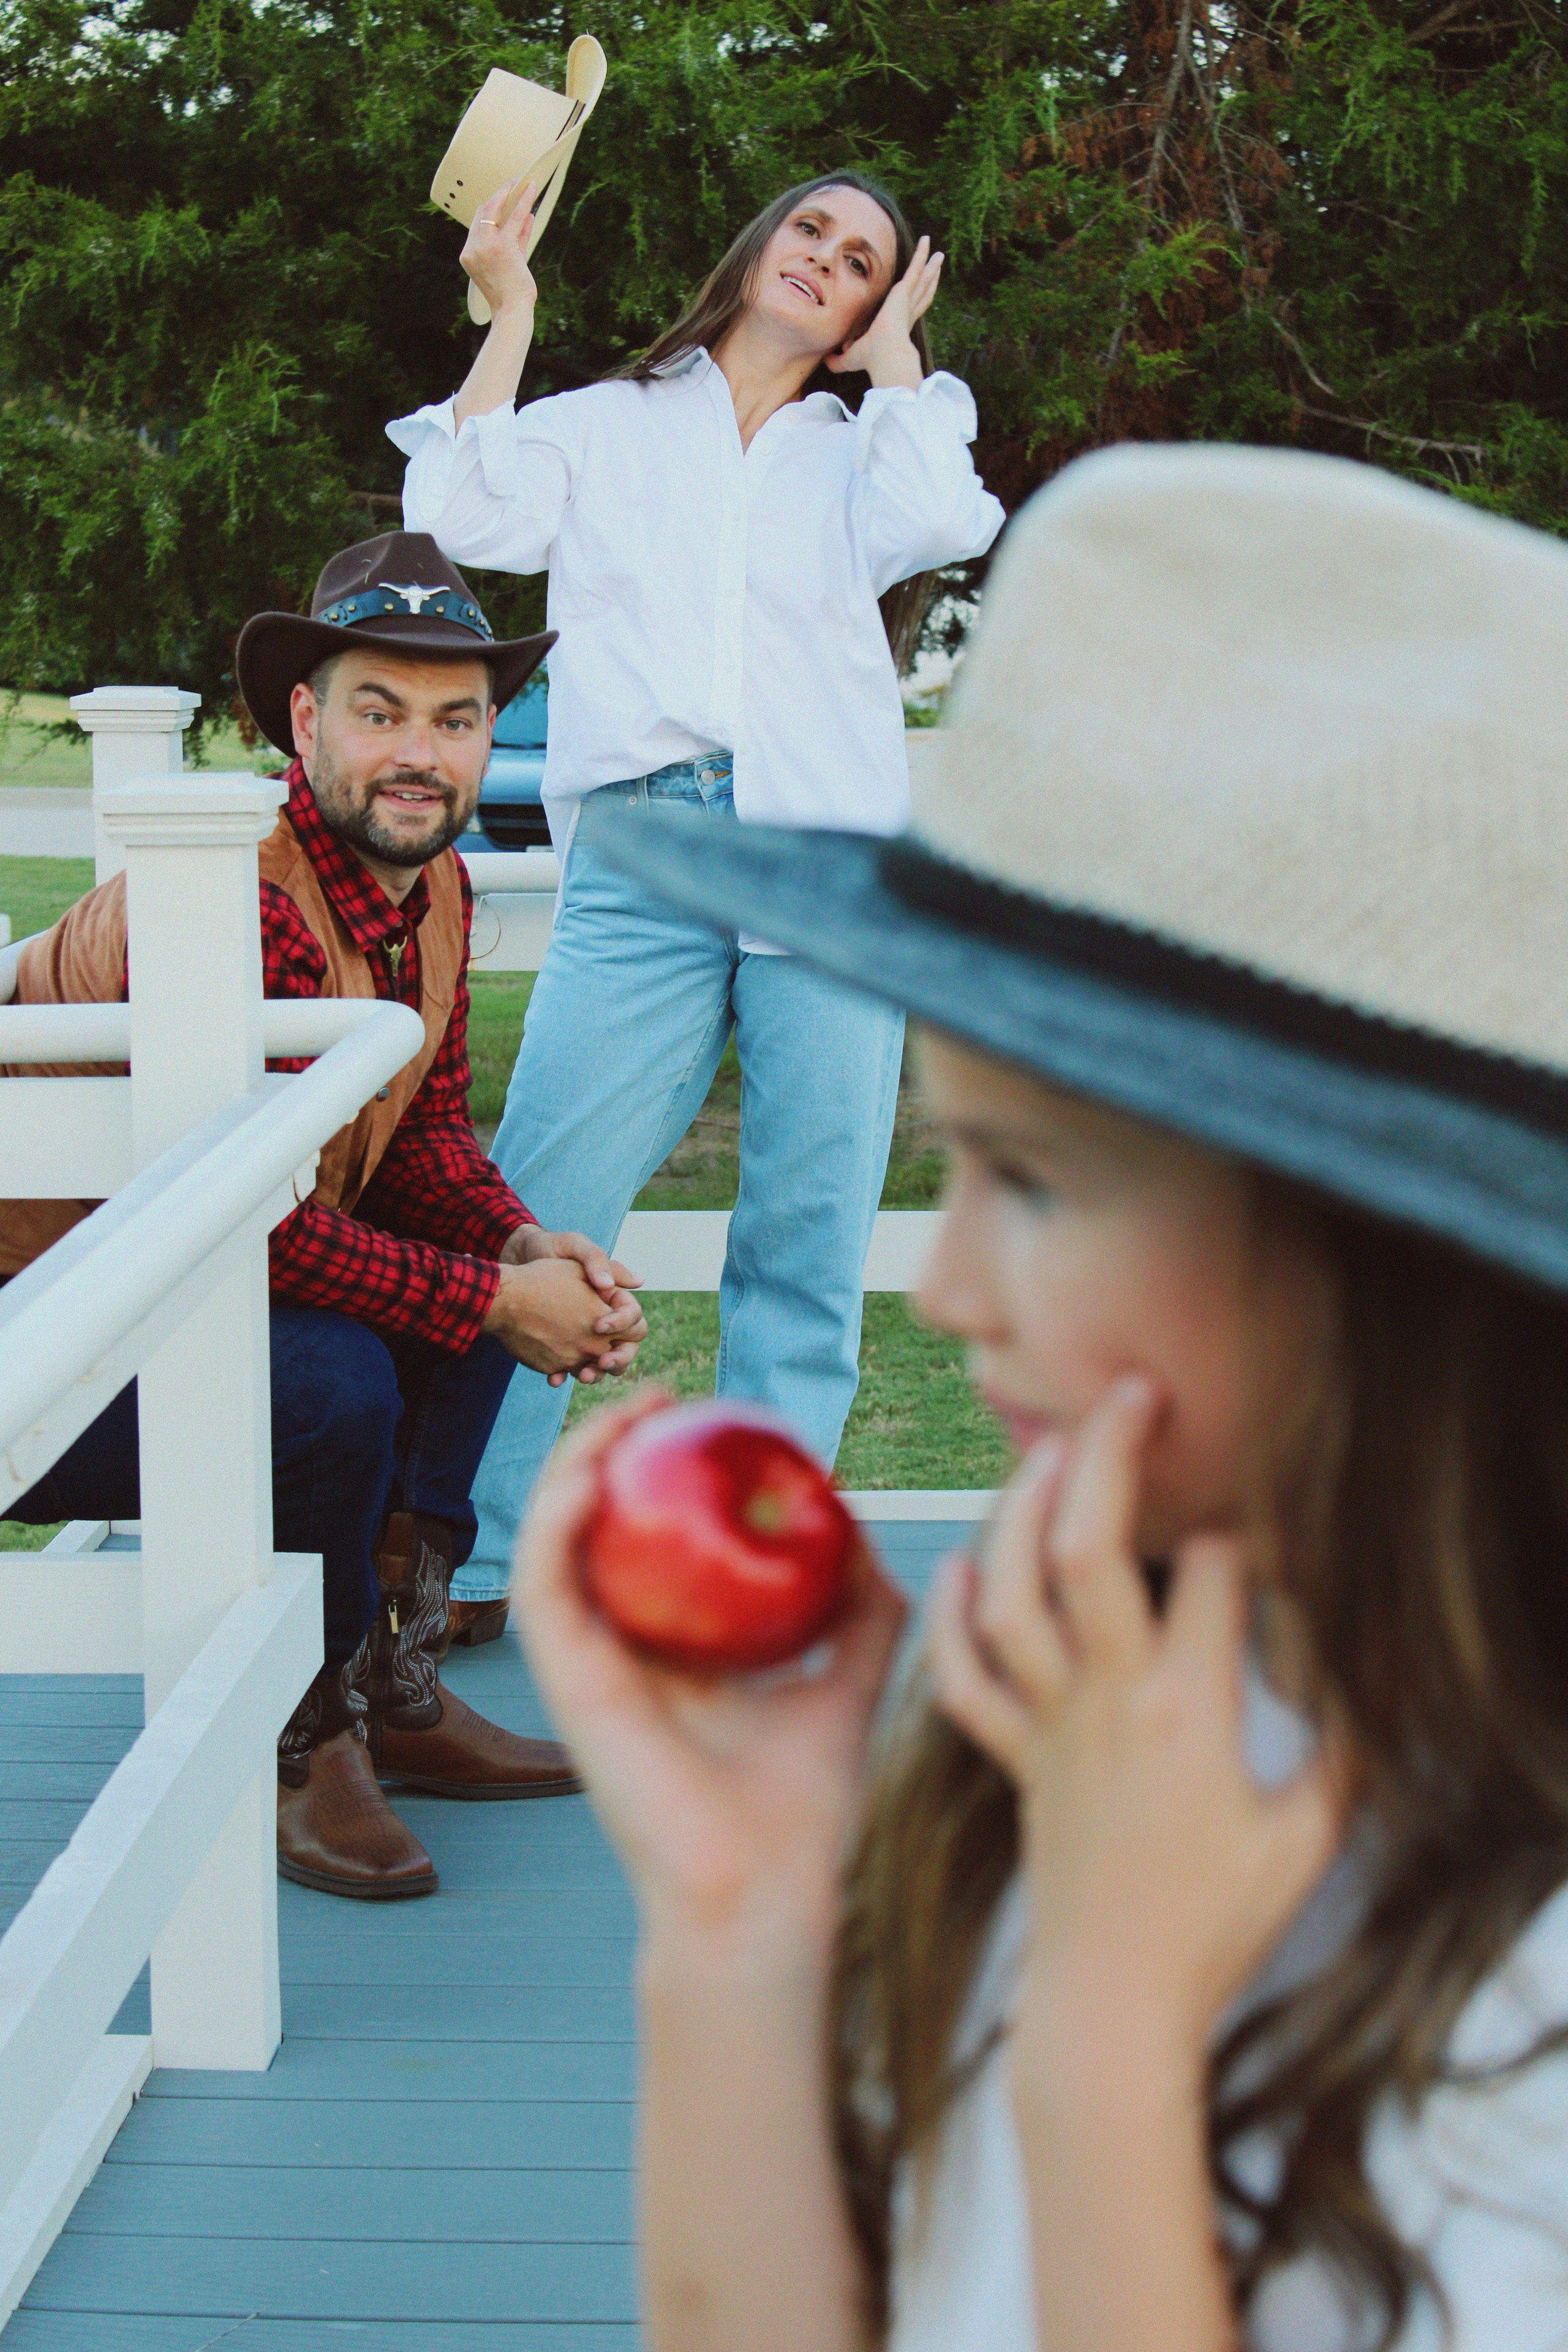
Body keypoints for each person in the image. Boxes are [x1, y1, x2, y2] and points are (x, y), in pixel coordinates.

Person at [511, 445, 1568, 2346]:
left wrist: (1106, 2043)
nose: (947, 1286)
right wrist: (744, 1931)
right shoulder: (1059, 1722)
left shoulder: (1516, 1973)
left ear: (1389, 1254)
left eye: (1038, 1182)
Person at [388, 168, 1006, 1614]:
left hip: (823, 862)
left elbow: (951, 515)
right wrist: (509, 306)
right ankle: (452, 1557)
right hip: (644, 856)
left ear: (865, 307)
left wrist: (902, 365)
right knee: (537, 1200)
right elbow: (462, 505)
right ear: (757, 245)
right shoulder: (609, 425)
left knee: (804, 1228)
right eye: (810, 230)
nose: (825, 261)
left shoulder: (864, 455)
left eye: (859, 261)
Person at [2, 530, 648, 1902]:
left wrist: (519, 1247)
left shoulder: (431, 883)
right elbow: (239, 1219)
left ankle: (390, 1686)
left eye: (456, 719)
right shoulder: (240, 898)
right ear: (304, 723)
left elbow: (417, 1126)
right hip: (44, 1353)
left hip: (171, 1293)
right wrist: (490, 1296)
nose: (420, 753)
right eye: (379, 711)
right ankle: (305, 1739)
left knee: (467, 1272)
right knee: (333, 1380)